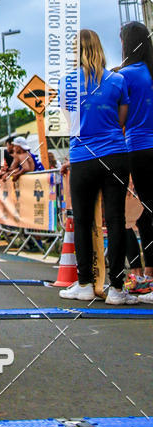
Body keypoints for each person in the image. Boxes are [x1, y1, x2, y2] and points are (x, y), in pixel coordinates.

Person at [59, 29, 137, 305]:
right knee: (115, 220)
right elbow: (121, 120)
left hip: (82, 156)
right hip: (115, 154)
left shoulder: (66, 82)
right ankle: (116, 288)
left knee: (82, 220)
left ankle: (83, 283)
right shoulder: (117, 80)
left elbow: (71, 122)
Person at [118, 21, 153, 286]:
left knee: (146, 214)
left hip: (139, 148)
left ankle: (149, 276)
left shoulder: (126, 75)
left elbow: (118, 118)